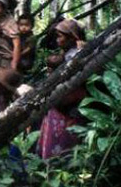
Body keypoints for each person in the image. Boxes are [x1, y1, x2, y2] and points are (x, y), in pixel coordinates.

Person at [37, 19, 87, 159]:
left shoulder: (76, 53)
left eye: (60, 36)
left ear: (71, 37)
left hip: (70, 100)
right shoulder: (68, 52)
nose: (57, 40)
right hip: (61, 101)